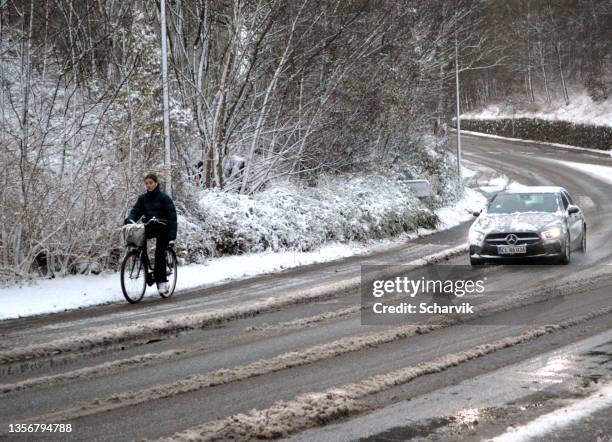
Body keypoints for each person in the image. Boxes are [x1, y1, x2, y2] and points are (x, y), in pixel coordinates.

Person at [125, 173, 177, 295]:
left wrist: (172, 237)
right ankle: (144, 264)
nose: (148, 185)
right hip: (149, 226)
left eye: (151, 183)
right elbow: (136, 211)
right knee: (139, 242)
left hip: (163, 227)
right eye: (146, 183)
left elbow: (172, 218)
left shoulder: (164, 198)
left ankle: (162, 282)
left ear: (156, 183)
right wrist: (130, 220)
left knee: (159, 253)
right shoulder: (143, 199)